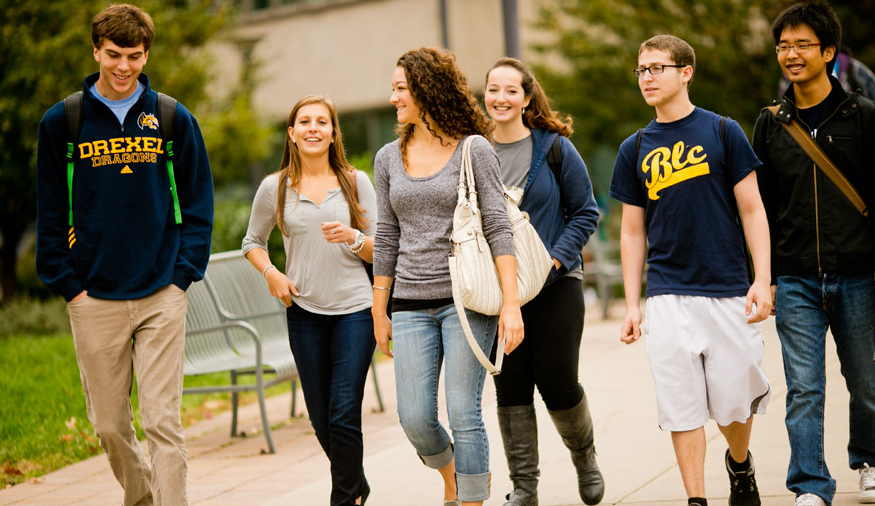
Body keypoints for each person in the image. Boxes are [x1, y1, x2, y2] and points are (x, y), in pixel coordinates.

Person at [35, 4, 213, 505]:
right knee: (111, 426)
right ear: (96, 52)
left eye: (133, 56)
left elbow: (198, 200)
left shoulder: (172, 117)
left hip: (161, 290)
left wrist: (183, 274)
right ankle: (142, 498)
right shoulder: (62, 121)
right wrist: (68, 283)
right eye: (113, 55)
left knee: (162, 421)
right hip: (93, 295)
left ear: (146, 54)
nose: (122, 67)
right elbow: (49, 211)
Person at [609, 35, 772, 506]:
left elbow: (752, 210)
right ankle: (696, 499)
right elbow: (632, 232)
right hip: (667, 294)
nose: (647, 78)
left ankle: (739, 463)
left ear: (686, 72)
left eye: (657, 68)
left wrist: (761, 279)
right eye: (641, 69)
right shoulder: (634, 147)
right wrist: (633, 303)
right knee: (681, 408)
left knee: (733, 403)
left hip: (727, 290)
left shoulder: (723, 131)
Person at [752, 3, 875, 505]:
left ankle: (873, 463)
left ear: (829, 52)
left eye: (802, 45)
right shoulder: (771, 123)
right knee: (804, 389)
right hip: (794, 279)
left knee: (866, 383)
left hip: (858, 273)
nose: (790, 55)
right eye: (783, 46)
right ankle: (810, 484)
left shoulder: (862, 114)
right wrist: (763, 276)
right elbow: (760, 209)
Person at [372, 47, 524, 506]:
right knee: (415, 417)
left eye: (401, 87)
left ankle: (472, 501)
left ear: (425, 89)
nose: (393, 96)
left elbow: (498, 226)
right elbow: (385, 235)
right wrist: (380, 310)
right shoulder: (387, 157)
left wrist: (511, 304)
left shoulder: (473, 148)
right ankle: (453, 476)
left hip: (468, 301)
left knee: (463, 411)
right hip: (410, 304)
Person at [242, 95, 377, 506]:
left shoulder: (356, 182)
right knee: (320, 420)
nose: (313, 128)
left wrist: (353, 238)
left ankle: (344, 498)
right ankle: (358, 485)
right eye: (305, 121)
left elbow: (381, 249)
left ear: (334, 132)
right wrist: (272, 273)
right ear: (292, 133)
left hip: (355, 309)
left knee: (342, 414)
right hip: (303, 311)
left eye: (323, 121)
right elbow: (253, 242)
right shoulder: (275, 188)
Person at [483, 57, 603, 506]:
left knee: (557, 380)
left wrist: (553, 261)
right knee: (510, 386)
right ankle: (525, 487)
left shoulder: (553, 147)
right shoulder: (473, 151)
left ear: (527, 98)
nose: (501, 98)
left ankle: (584, 458)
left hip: (556, 284)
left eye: (511, 90)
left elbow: (586, 211)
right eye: (493, 89)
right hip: (499, 290)